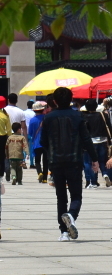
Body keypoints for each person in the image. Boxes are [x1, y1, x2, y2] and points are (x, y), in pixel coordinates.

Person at [41, 87, 101, 241]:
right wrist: (95, 159)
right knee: (76, 196)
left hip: (56, 162)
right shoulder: (77, 116)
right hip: (74, 161)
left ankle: (64, 233)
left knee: (61, 197)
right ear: (71, 99)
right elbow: (86, 139)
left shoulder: (48, 118)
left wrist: (51, 157)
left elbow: (43, 142)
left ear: (54, 101)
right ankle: (71, 215)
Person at [81, 99, 108, 189]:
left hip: (91, 142)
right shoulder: (103, 115)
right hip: (103, 140)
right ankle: (104, 174)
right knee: (101, 161)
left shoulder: (84, 117)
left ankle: (91, 181)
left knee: (88, 162)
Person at [28, 100, 48, 182]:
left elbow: (30, 133)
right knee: (46, 161)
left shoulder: (32, 120)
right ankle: (45, 179)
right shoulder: (46, 118)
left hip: (36, 143)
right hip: (46, 142)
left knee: (37, 160)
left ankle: (39, 172)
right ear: (42, 109)